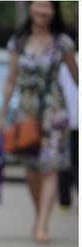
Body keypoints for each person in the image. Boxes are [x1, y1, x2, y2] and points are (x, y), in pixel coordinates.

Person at [0, 1, 78, 244]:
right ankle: (38, 215)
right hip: (27, 111)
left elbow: (77, 77)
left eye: (48, 6)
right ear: (30, 9)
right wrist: (2, 116)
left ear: (54, 11)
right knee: (32, 168)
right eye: (38, 5)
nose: (42, 11)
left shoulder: (63, 43)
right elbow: (11, 80)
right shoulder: (18, 43)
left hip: (54, 111)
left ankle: (42, 223)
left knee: (50, 167)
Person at [57, 52, 78, 212]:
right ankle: (64, 201)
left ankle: (65, 202)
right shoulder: (64, 64)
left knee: (68, 164)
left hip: (68, 120)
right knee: (66, 163)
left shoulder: (63, 64)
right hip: (66, 121)